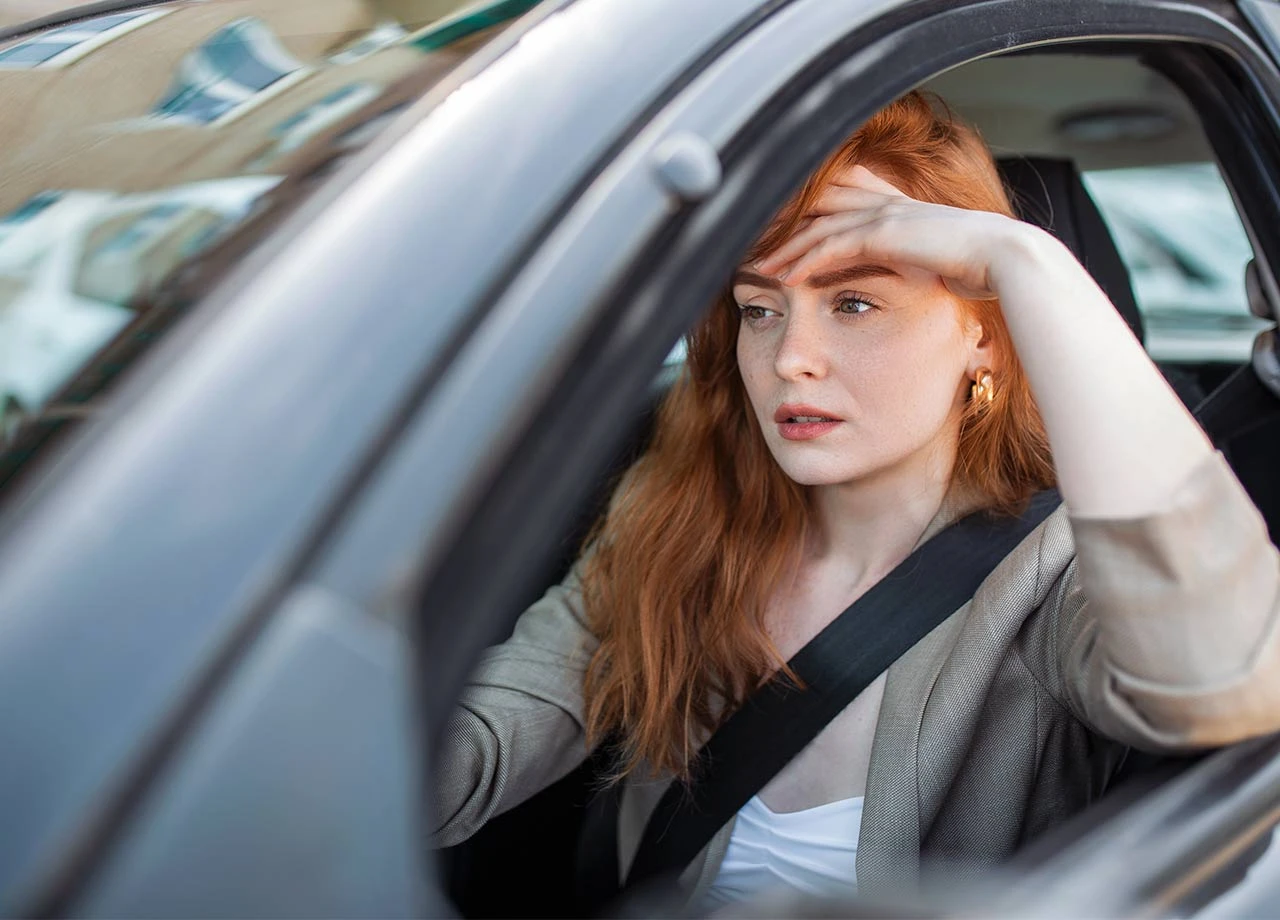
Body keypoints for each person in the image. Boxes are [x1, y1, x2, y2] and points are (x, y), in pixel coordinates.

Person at [432, 91, 1280, 910]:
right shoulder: (678, 519)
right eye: (759, 309)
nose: (790, 357)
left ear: (982, 333)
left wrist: (1028, 260)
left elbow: (1221, 677)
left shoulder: (1051, 578)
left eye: (854, 301)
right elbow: (481, 742)